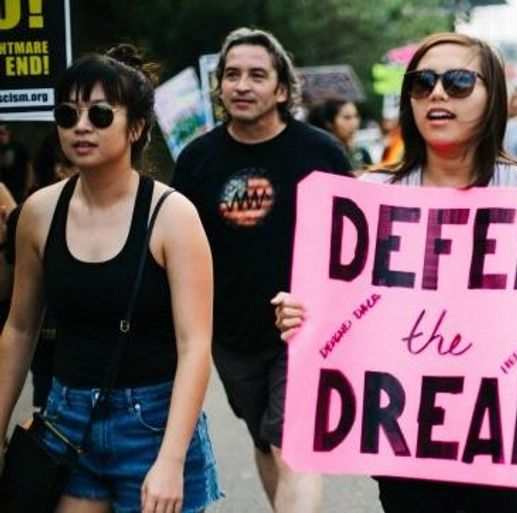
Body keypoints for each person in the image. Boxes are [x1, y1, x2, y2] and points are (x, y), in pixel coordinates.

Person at [270, 32, 517, 513]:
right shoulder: (374, 193)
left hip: (505, 438)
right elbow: (338, 307)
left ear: (493, 97)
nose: (437, 94)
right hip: (406, 438)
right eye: (423, 82)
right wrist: (303, 316)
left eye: (458, 82)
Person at [0, 44, 221, 512]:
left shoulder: (172, 216)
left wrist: (170, 460)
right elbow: (20, 328)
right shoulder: (38, 213)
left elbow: (195, 344)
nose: (81, 125)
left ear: (136, 126)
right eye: (67, 113)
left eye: (100, 114)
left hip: (154, 424)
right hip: (66, 420)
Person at [170, 28, 352, 513]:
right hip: (231, 332)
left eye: (257, 74)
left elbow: (353, 241)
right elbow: (179, 247)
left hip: (305, 328)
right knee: (263, 436)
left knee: (291, 444)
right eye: (232, 75)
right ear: (219, 86)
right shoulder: (197, 160)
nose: (242, 85)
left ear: (281, 88)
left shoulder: (321, 153)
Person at [3, 131, 76, 410]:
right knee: (49, 406)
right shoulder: (29, 215)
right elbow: (18, 318)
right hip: (47, 339)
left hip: (92, 348)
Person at [310, 98, 373, 170]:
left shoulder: (362, 154)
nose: (354, 123)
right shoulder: (321, 155)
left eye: (356, 116)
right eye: (347, 118)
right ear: (330, 123)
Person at [0, 122, 29, 203]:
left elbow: (29, 167)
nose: (0, 136)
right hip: (3, 187)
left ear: (8, 133)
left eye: (2, 133)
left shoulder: (18, 148)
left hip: (18, 189)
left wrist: (27, 188)